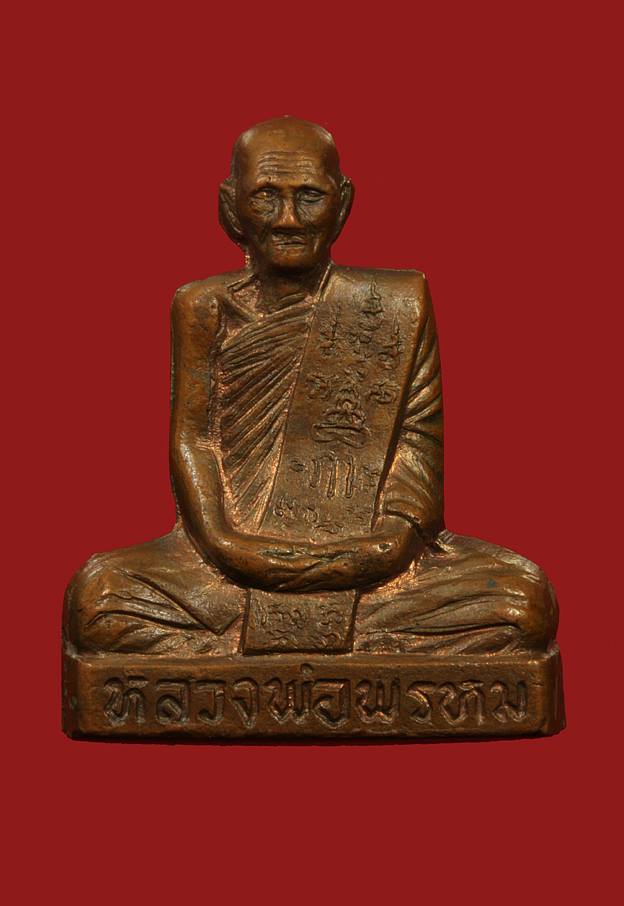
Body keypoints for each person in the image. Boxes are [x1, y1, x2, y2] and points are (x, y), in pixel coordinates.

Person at [64, 117, 558, 657]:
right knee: (99, 597)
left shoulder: (395, 305)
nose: (288, 220)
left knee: (521, 602)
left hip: (369, 559)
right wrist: (226, 546)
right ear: (230, 206)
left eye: (309, 197)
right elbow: (195, 441)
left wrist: (389, 545)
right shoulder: (203, 307)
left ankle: (261, 653)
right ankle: (334, 653)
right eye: (265, 197)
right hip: (232, 561)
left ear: (342, 204)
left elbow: (417, 445)